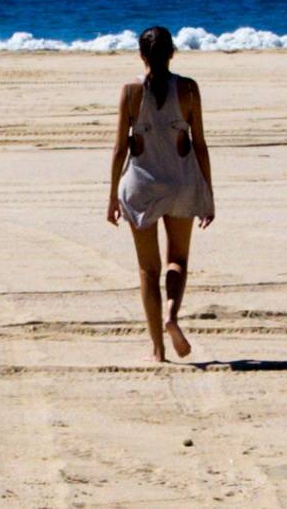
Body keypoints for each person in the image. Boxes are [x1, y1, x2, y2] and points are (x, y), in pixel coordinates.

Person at [104, 24, 215, 361]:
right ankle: (172, 315)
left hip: (141, 186)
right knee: (177, 261)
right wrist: (208, 192)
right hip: (181, 183)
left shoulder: (129, 92)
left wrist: (111, 198)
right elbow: (200, 146)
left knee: (148, 271)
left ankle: (157, 348)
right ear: (172, 53)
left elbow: (119, 149)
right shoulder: (190, 89)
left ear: (142, 55)